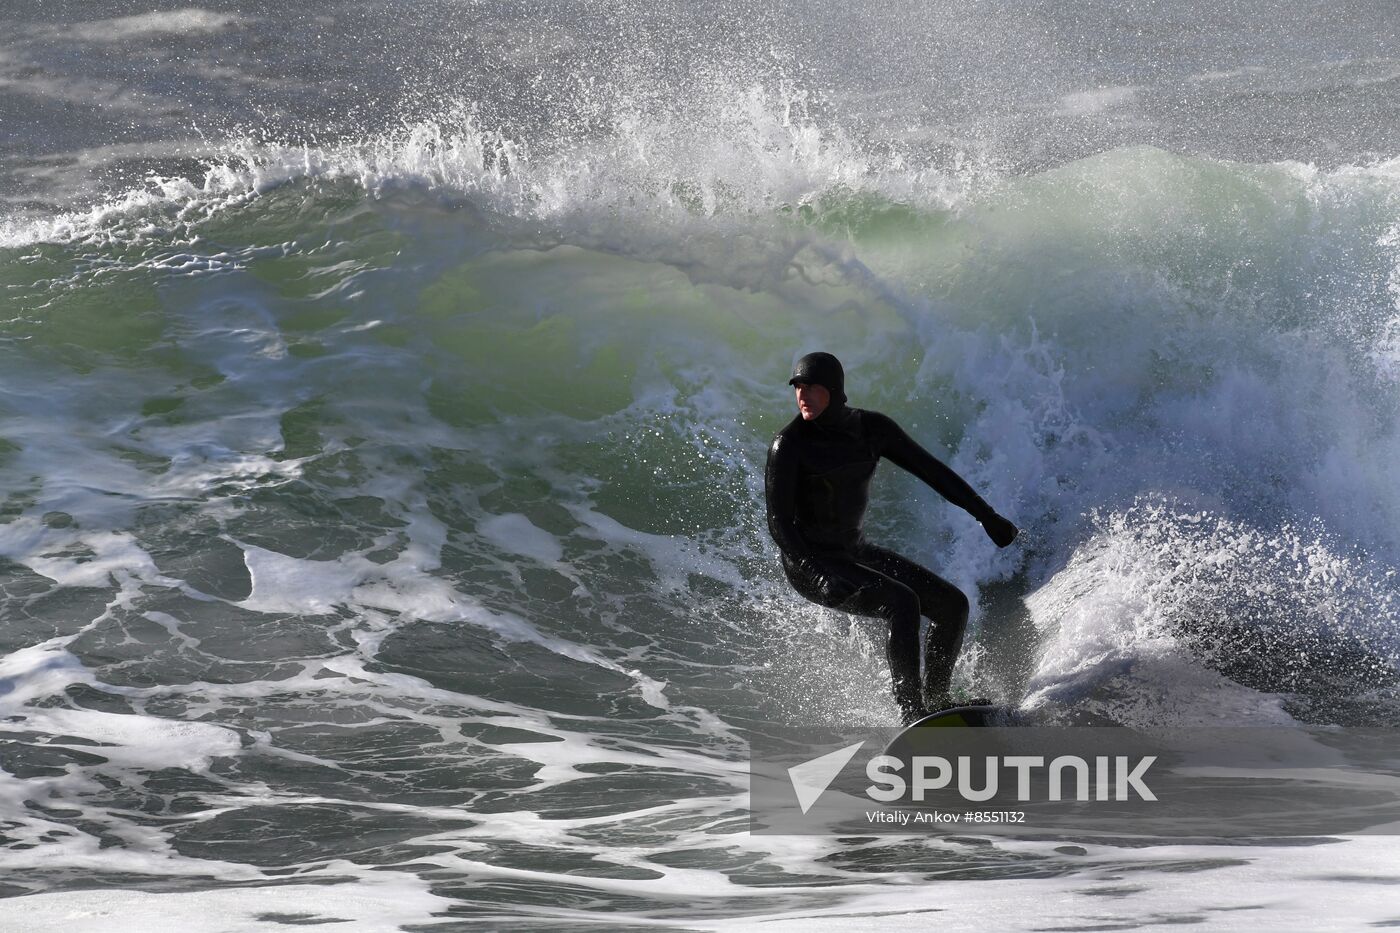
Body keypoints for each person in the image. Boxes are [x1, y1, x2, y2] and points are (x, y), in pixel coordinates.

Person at [765, 351, 1019, 725]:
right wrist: (816, 573)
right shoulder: (789, 445)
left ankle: (937, 699)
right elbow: (779, 523)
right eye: (798, 388)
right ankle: (912, 711)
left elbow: (933, 472)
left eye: (812, 388)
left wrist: (987, 516)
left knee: (952, 606)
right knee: (901, 603)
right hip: (812, 565)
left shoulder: (872, 430)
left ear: (834, 391)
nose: (803, 396)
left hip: (853, 553)